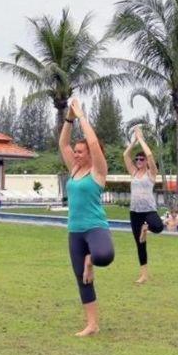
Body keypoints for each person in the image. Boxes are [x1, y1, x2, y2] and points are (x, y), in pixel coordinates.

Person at [58, 98, 114, 337]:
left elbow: (92, 141)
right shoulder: (75, 168)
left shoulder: (98, 171)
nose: (76, 154)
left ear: (91, 154)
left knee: (104, 255)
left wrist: (82, 115)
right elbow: (63, 143)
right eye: (76, 152)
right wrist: (69, 118)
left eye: (81, 152)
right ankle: (92, 324)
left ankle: (90, 260)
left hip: (95, 227)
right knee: (82, 280)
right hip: (75, 231)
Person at [123, 125, 164, 284]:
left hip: (148, 211)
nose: (139, 161)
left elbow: (150, 154)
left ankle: (146, 228)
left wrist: (141, 139)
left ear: (146, 162)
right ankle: (144, 275)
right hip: (134, 212)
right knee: (140, 245)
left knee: (158, 227)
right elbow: (125, 154)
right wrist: (133, 140)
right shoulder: (133, 172)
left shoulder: (151, 173)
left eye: (141, 159)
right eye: (137, 159)